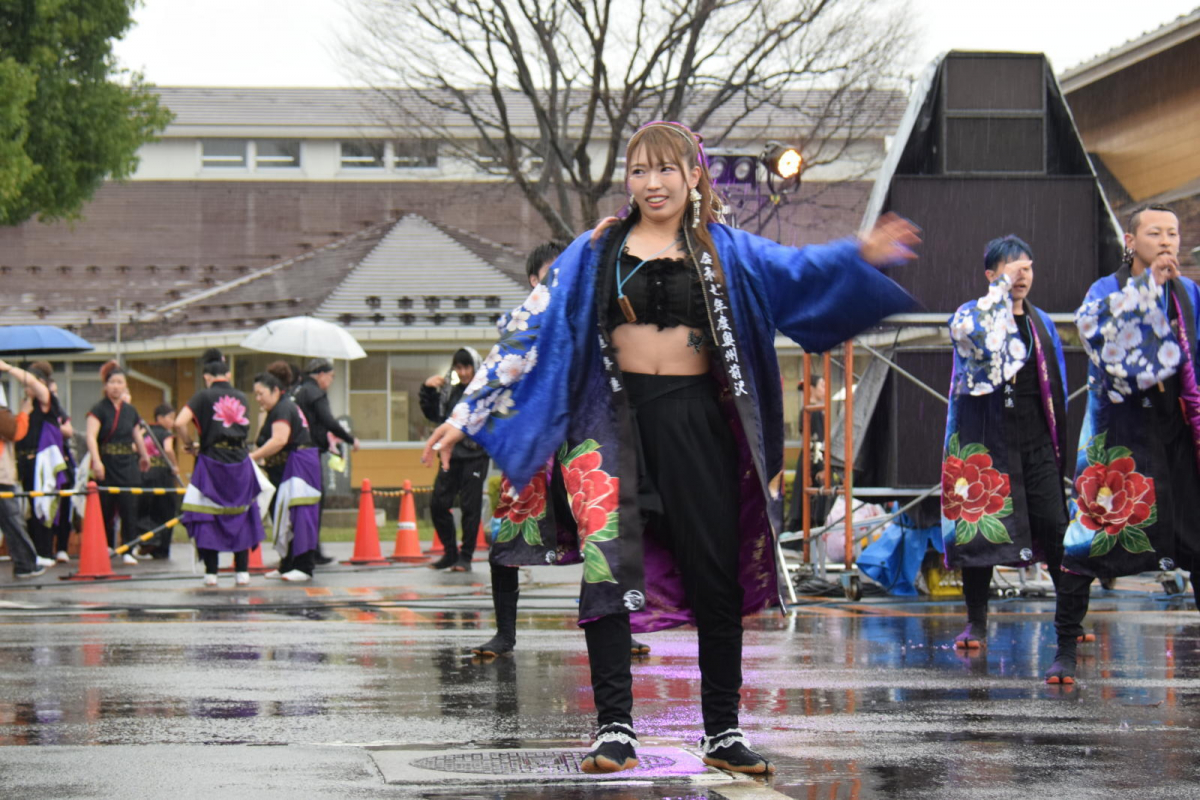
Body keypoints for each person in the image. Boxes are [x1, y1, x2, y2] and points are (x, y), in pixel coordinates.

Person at [423, 121, 919, 774]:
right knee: (607, 570)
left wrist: (859, 252)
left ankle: (722, 730)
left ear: (694, 177)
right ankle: (615, 729)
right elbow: (531, 327)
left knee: (715, 572)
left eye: (666, 170)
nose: (652, 183)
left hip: (700, 426)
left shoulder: (728, 251)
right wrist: (468, 414)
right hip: (610, 424)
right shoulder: (595, 251)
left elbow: (799, 270)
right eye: (639, 171)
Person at [1053, 204, 1200, 684]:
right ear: (1131, 242)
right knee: (1088, 543)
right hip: (1120, 434)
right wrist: (1146, 288)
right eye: (1154, 232)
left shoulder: (1190, 293)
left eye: (1173, 234)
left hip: (1176, 432)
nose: (1166, 241)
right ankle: (1066, 648)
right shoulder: (1107, 290)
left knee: (1196, 538)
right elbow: (1096, 333)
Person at [941, 236, 1069, 651]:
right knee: (981, 535)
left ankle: (1069, 622)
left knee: (1056, 527)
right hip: (987, 441)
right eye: (1010, 269)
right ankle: (975, 621)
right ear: (990, 275)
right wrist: (999, 292)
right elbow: (970, 334)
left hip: (1034, 440)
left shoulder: (1042, 324)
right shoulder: (971, 314)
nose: (1020, 276)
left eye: (1026, 268)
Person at [174, 349, 269, 587]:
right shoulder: (242, 397)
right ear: (227, 374)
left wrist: (188, 444)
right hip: (239, 460)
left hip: (212, 460)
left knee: (209, 514)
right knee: (241, 513)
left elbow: (179, 422)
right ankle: (242, 571)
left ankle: (211, 573)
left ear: (207, 376)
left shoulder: (203, 397)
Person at [420, 347, 489, 572]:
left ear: (475, 367)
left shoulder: (485, 392)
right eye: (458, 367)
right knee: (438, 504)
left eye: (467, 366)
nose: (463, 372)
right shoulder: (450, 392)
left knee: (471, 507)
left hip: (476, 456)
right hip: (450, 456)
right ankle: (450, 553)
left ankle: (465, 557)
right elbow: (436, 416)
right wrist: (427, 390)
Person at [249, 372, 320, 582]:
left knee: (299, 514)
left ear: (276, 391)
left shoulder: (283, 408)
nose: (258, 398)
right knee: (282, 516)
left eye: (261, 393)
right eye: (256, 394)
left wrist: (252, 457)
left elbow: (279, 440)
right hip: (283, 468)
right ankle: (287, 564)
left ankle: (304, 566)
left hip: (298, 466)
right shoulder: (276, 409)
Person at [290, 358, 359, 565]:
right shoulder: (316, 394)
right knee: (314, 503)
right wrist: (350, 439)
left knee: (299, 504)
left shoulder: (296, 391)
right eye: (331, 376)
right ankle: (312, 551)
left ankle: (302, 550)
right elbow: (327, 420)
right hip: (310, 455)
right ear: (321, 374)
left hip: (294, 453)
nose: (330, 381)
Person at [85, 361, 150, 563]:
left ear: (125, 386)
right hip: (107, 461)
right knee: (106, 506)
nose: (115, 386)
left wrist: (144, 455)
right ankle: (105, 546)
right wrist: (97, 461)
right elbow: (90, 437)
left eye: (119, 382)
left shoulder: (130, 410)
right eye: (112, 382)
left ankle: (128, 549)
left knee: (129, 507)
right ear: (105, 386)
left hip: (128, 462)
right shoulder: (98, 409)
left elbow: (136, 435)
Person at [2, 361, 64, 569]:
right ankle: (34, 552)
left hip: (43, 463)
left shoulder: (47, 401)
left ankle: (45, 551)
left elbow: (39, 389)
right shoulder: (25, 404)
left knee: (43, 506)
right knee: (27, 509)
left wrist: (9, 369)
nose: (26, 386)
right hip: (24, 461)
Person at [0, 379, 45, 579]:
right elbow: (15, 432)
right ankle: (25, 563)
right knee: (12, 520)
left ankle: (25, 562)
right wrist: (25, 411)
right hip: (2, 473)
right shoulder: (1, 413)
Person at [784, 375, 828, 538]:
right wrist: (821, 468)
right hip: (813, 464)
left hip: (811, 461)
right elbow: (815, 442)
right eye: (822, 386)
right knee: (810, 505)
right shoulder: (812, 411)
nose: (825, 390)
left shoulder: (813, 409)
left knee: (809, 504)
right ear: (812, 388)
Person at [136, 404, 180, 560]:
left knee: (147, 510)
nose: (172, 422)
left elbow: (135, 446)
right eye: (170, 418)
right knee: (166, 511)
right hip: (162, 474)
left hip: (145, 474)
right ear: (160, 418)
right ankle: (161, 549)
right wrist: (174, 465)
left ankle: (149, 540)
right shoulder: (166, 434)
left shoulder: (144, 431)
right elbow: (168, 449)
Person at [43, 371, 77, 563]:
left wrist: (55, 427)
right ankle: (45, 547)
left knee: (64, 505)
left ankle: (62, 547)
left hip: (63, 462)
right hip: (43, 464)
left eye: (56, 391)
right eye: (50, 391)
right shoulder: (38, 412)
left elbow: (68, 431)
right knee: (45, 506)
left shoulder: (59, 411)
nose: (54, 395)